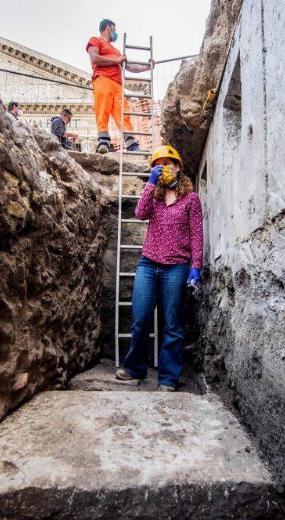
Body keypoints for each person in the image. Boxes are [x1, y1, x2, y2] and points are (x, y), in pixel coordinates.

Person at [115, 145, 203, 391]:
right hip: (148, 264)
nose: (164, 168)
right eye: (158, 164)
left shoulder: (191, 199)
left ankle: (168, 378)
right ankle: (134, 368)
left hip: (176, 267)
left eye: (169, 163)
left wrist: (196, 266)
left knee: (172, 324)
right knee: (140, 318)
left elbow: (197, 234)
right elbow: (140, 213)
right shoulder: (154, 196)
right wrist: (150, 184)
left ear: (178, 168)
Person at [86, 18, 152, 154]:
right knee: (102, 109)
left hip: (117, 84)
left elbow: (128, 66)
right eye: (114, 29)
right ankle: (103, 142)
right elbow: (94, 58)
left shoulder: (116, 51)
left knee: (123, 113)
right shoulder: (95, 40)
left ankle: (132, 144)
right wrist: (116, 60)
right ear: (108, 27)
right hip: (103, 79)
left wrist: (147, 66)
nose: (115, 32)